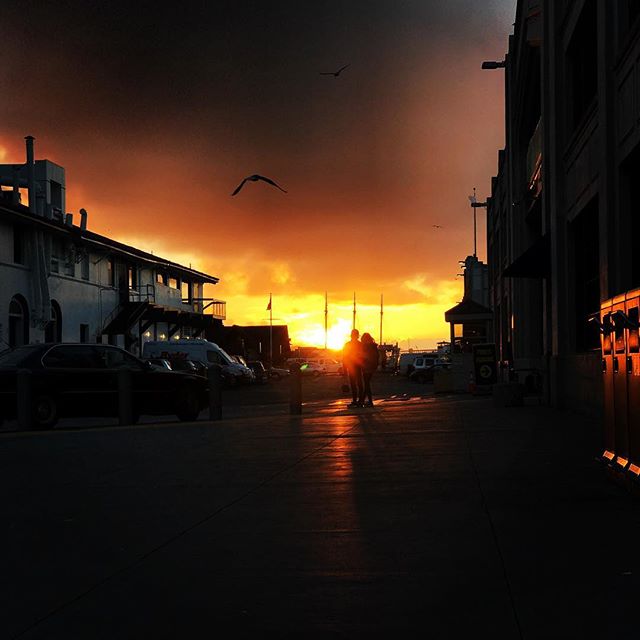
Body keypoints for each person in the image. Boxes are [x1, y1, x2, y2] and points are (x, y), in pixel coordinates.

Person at [342, 329, 364, 408]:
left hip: (351, 367)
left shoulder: (347, 344)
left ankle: (355, 401)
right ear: (357, 335)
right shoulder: (360, 344)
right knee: (359, 384)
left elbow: (344, 357)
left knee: (354, 384)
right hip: (358, 366)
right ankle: (360, 401)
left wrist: (344, 368)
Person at [360, 332, 379, 407]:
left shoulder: (365, 347)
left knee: (366, 384)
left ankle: (370, 401)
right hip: (372, 367)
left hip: (366, 367)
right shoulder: (374, 346)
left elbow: (363, 356)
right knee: (367, 383)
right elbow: (377, 356)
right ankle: (363, 400)